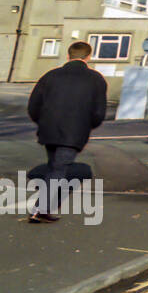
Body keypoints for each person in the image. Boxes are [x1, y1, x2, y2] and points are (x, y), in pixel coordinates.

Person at [26, 41, 107, 223]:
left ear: (68, 56)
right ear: (88, 57)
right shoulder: (95, 79)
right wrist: (87, 125)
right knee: (59, 169)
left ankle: (42, 209)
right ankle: (40, 209)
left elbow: (33, 106)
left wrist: (42, 122)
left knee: (54, 165)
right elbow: (99, 112)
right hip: (74, 132)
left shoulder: (50, 76)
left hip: (48, 130)